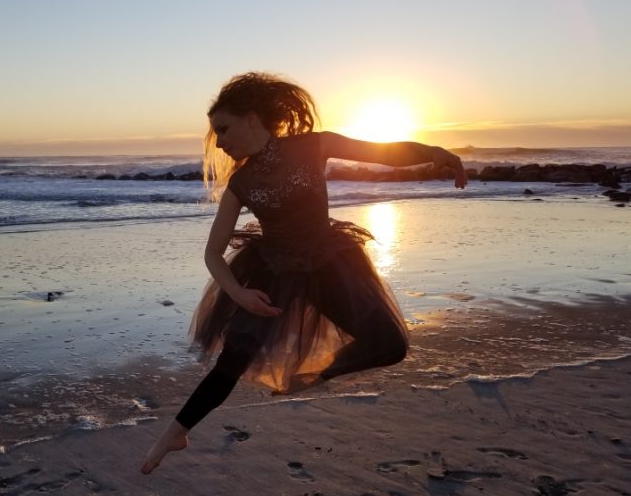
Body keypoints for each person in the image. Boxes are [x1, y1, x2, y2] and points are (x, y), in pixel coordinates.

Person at [140, 72, 466, 475]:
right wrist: (240, 295)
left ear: (252, 118)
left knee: (391, 345)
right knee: (232, 360)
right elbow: (212, 254)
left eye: (223, 129)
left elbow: (385, 152)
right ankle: (174, 433)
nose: (220, 142)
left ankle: (314, 371)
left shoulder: (315, 145)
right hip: (273, 273)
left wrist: (434, 151)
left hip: (332, 265)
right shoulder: (242, 181)